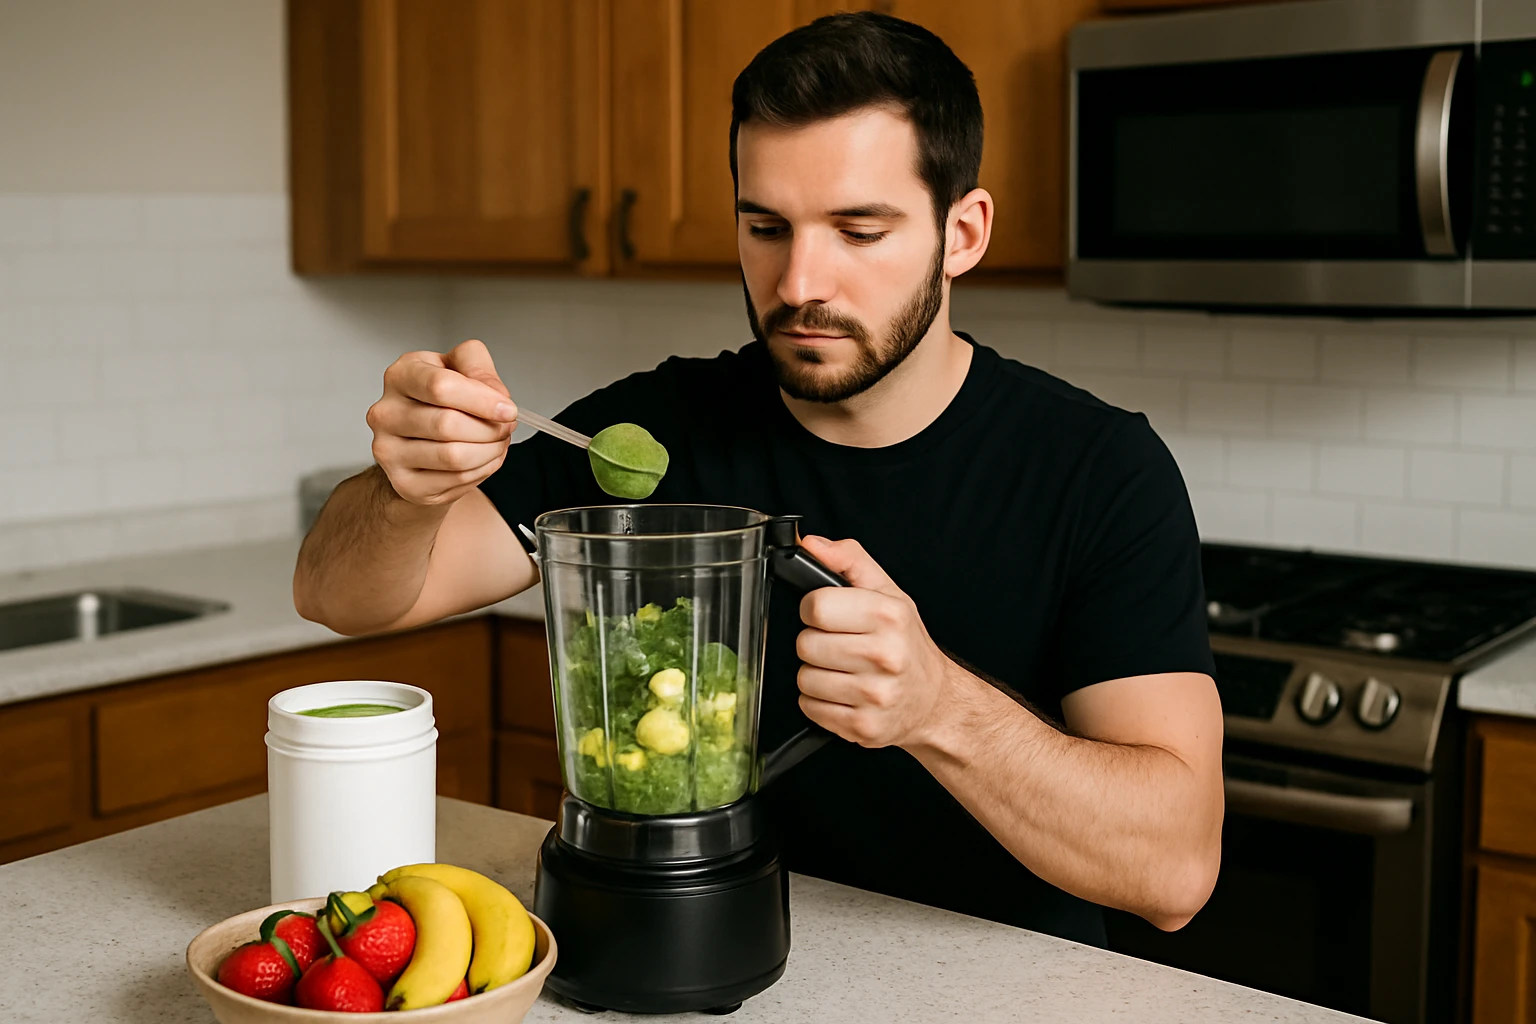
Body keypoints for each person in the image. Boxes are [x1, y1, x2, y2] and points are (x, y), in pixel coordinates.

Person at [294, 12, 1223, 946]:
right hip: (708, 961)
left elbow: (1176, 873)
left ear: (963, 233)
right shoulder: (654, 433)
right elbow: (339, 595)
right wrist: (407, 490)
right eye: (766, 226)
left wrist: (940, 707)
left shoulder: (1101, 471)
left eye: (859, 231)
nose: (800, 281)